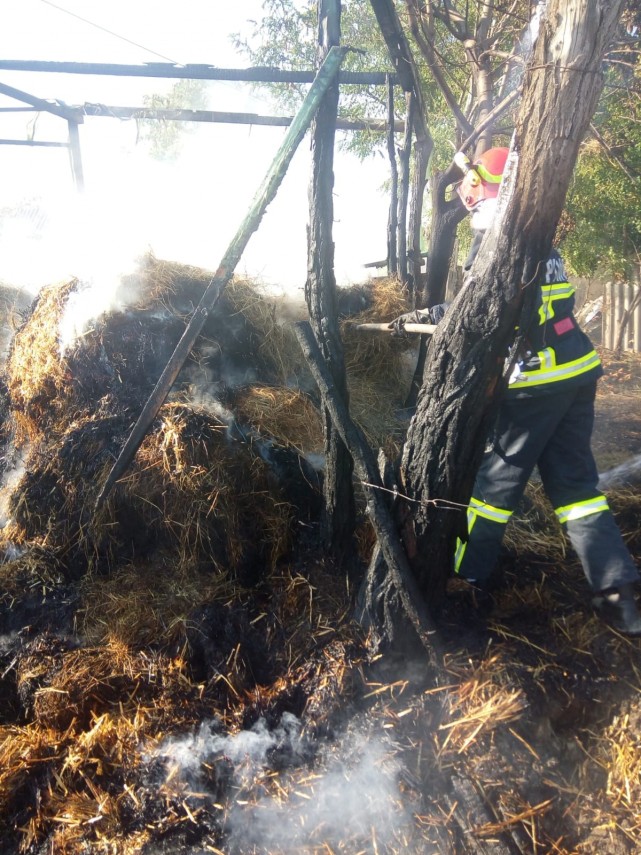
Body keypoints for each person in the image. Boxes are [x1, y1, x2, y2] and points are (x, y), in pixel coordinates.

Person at [393, 146, 641, 635]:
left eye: (475, 180)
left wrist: (433, 318)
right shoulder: (542, 238)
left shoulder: (495, 240)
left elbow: (482, 314)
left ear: (494, 188)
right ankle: (619, 592)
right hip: (576, 374)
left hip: (534, 386)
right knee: (576, 490)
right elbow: (504, 303)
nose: (466, 190)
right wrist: (433, 315)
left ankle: (467, 581)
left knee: (494, 489)